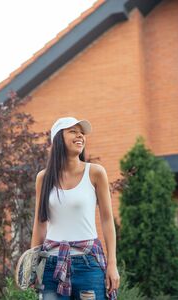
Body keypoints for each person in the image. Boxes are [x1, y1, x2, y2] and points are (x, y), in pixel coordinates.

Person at [30, 117, 120, 300]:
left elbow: (107, 220)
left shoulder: (95, 172)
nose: (80, 135)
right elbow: (40, 223)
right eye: (72, 131)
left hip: (89, 265)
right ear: (57, 139)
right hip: (51, 265)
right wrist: (32, 265)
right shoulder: (43, 178)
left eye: (81, 132)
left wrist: (112, 263)